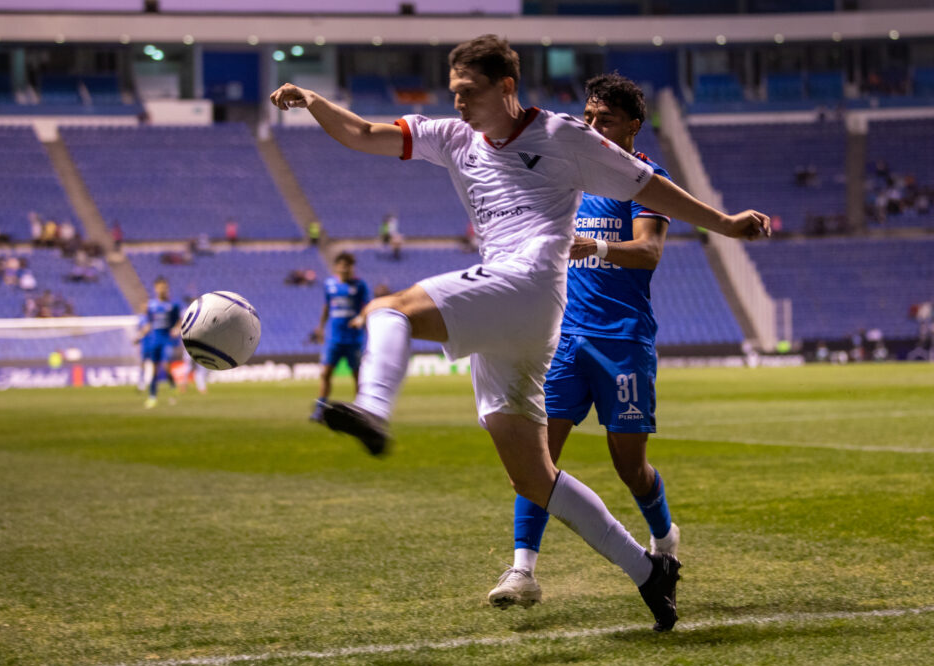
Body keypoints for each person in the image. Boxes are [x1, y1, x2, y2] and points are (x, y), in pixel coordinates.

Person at [270, 34, 769, 631]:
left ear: (506, 87)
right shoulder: (452, 137)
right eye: (452, 92)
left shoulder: (563, 136)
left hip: (531, 284)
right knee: (532, 476)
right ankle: (649, 573)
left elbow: (649, 186)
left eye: (468, 92)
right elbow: (362, 134)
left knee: (388, 310)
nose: (457, 104)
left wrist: (727, 225)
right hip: (514, 319)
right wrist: (309, 99)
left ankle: (373, 410)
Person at [486, 73, 680, 611]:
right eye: (588, 118)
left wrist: (589, 249)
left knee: (630, 466)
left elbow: (648, 254)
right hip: (566, 338)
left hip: (622, 339)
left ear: (633, 127)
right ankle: (522, 571)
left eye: (606, 120)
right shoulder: (569, 178)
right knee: (538, 457)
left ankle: (664, 540)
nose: (593, 127)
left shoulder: (646, 180)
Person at [309, 252, 371, 422]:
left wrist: (361, 318)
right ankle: (320, 409)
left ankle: (362, 410)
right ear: (336, 266)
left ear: (352, 267)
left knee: (357, 375)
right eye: (342, 264)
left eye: (348, 265)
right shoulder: (329, 285)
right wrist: (321, 327)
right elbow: (326, 307)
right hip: (334, 339)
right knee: (325, 374)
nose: (345, 268)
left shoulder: (360, 285)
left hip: (354, 339)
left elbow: (367, 306)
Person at [134, 276, 182, 408]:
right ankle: (152, 397)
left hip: (167, 340)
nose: (162, 290)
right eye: (159, 287)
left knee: (166, 367)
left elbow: (179, 320)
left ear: (167, 288)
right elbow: (149, 324)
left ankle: (173, 389)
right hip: (154, 340)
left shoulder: (173, 305)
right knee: (154, 370)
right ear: (155, 289)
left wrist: (176, 329)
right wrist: (139, 336)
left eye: (164, 287)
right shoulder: (152, 305)